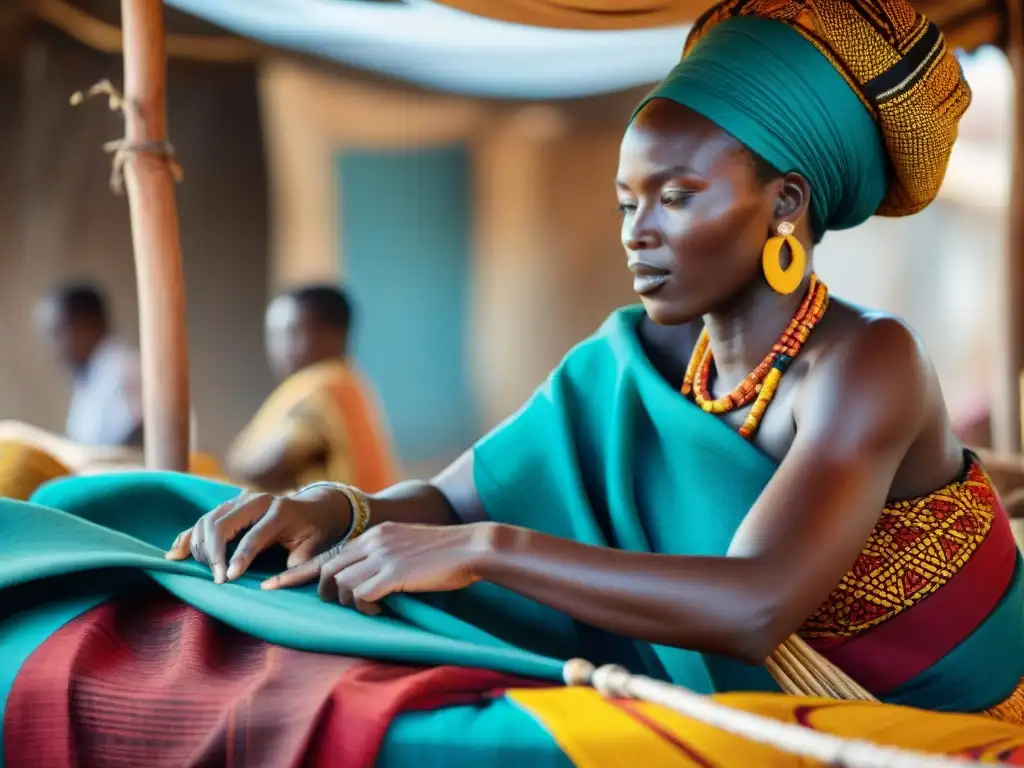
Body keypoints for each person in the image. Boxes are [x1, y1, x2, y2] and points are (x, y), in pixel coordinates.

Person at [5, 1, 1024, 764]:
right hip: (715, 656)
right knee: (180, 548)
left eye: (677, 196)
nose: (638, 231)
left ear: (785, 205)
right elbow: (448, 497)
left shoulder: (866, 363)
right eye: (628, 198)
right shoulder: (623, 364)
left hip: (948, 711)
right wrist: (334, 505)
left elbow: (754, 605)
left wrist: (485, 551)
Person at [226, 284, 398, 493]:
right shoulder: (349, 383)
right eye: (273, 335)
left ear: (331, 334)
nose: (277, 348)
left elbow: (268, 468)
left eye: (289, 332)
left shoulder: (321, 384)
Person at [34, 282, 143, 447]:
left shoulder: (124, 371)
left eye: (58, 334)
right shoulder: (91, 376)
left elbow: (141, 434)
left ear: (87, 325)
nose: (53, 350)